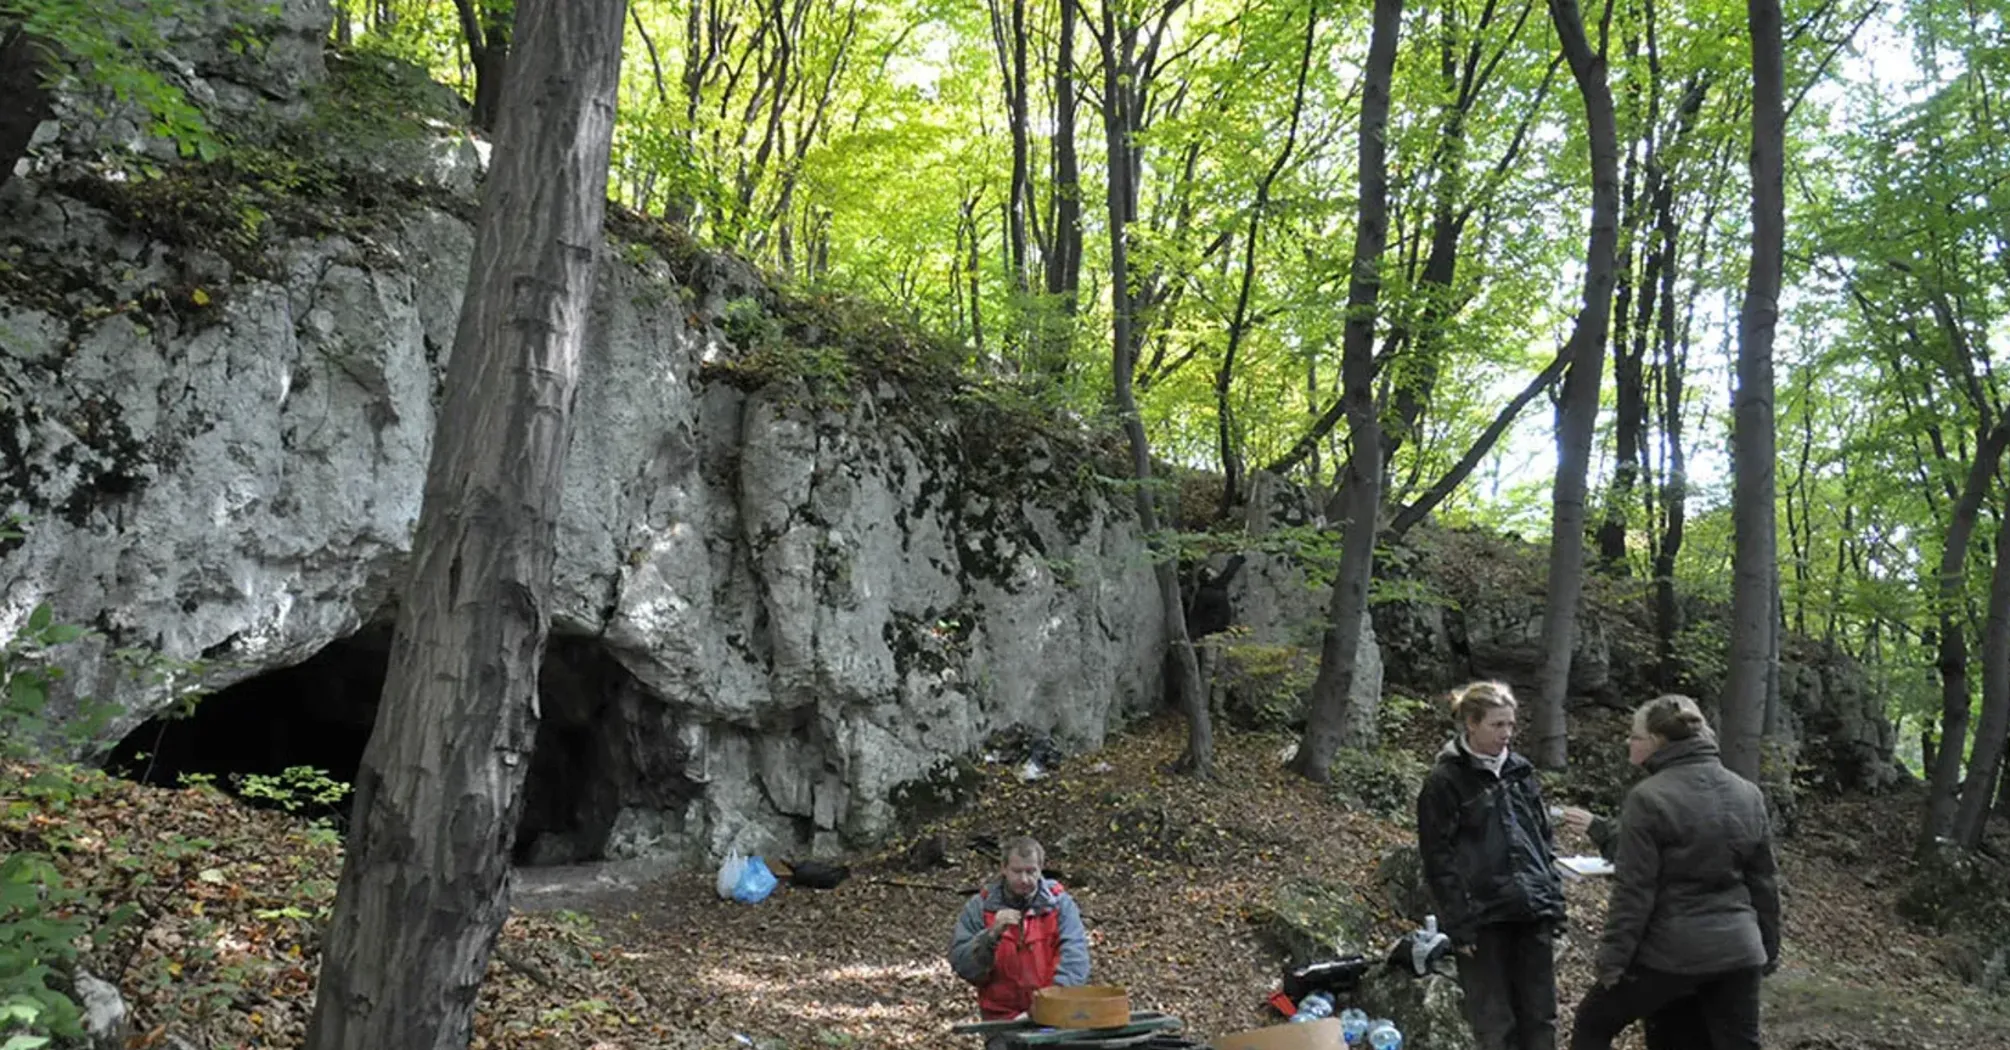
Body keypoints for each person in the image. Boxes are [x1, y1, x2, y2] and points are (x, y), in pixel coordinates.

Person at [1569, 695, 1781, 1050]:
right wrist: (1768, 947)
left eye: (1634, 736)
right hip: (1739, 950)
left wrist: (1611, 962)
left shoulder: (1648, 798)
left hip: (1672, 952)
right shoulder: (1748, 792)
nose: (1628, 742)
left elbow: (1634, 891)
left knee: (1592, 1022)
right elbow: (1763, 882)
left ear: (1656, 740)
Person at [1417, 680, 1566, 1050]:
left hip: (1532, 911)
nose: (1507, 734)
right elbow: (1438, 858)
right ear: (1471, 723)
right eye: (1497, 725)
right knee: (1495, 1024)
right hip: (1483, 918)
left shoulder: (1521, 772)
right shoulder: (1445, 781)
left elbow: (1542, 841)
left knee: (1540, 1018)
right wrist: (1459, 923)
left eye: (1511, 725)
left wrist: (1554, 901)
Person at [947, 836, 1091, 1021]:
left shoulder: (1059, 904)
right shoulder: (980, 907)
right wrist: (991, 936)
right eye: (1017, 871)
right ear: (1004, 869)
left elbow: (1075, 959)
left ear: (1041, 869)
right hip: (1000, 1017)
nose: (1024, 879)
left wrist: (1044, 1005)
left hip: (1053, 1012)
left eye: (1031, 871)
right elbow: (963, 965)